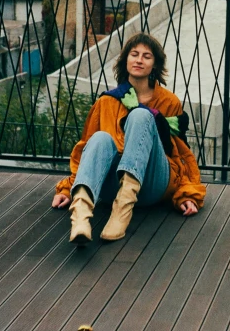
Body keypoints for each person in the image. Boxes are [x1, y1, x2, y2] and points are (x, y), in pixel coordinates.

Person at [52, 32, 206, 244]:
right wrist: (68, 188)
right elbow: (85, 152)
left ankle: (122, 211)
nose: (139, 60)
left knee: (141, 115)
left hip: (152, 184)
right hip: (109, 186)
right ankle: (80, 214)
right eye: (134, 54)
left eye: (146, 56)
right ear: (126, 61)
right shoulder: (106, 102)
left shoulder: (169, 102)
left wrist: (187, 194)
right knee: (99, 138)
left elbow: (181, 154)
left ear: (155, 65)